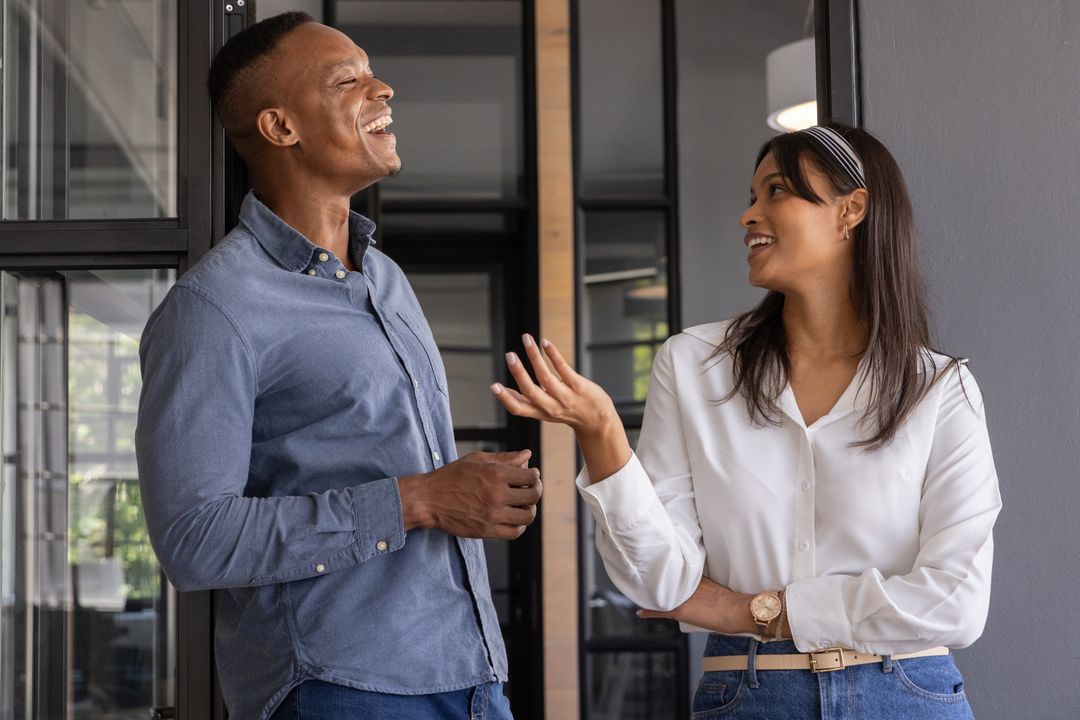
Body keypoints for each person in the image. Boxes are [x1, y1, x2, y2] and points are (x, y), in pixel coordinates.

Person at [493, 124, 1001, 718]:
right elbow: (662, 584)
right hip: (749, 694)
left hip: (908, 695)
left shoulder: (938, 388)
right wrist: (601, 432)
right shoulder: (693, 365)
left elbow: (958, 602)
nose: (748, 215)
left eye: (776, 191)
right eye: (752, 196)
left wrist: (754, 611)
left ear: (851, 210)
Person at [135, 12, 539, 720]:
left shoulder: (386, 279)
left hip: (472, 677)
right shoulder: (213, 309)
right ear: (280, 127)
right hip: (340, 690)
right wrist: (418, 500)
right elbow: (193, 541)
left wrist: (466, 492)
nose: (383, 90)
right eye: (348, 80)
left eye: (372, 73)